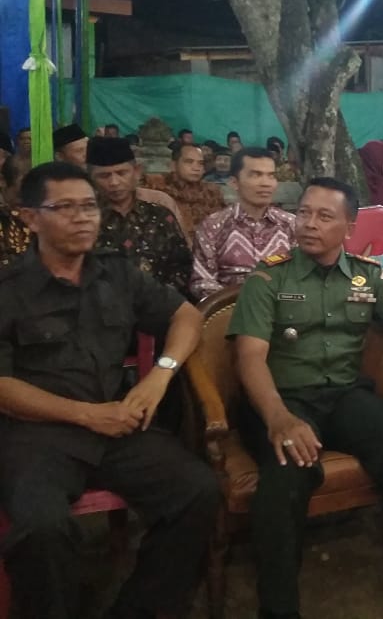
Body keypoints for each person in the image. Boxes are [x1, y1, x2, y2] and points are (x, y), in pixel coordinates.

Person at [0, 162, 219, 619]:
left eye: (89, 206)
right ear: (30, 218)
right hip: (38, 436)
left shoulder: (118, 274)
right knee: (41, 528)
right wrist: (85, 415)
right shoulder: (9, 291)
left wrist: (160, 375)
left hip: (117, 424)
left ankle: (138, 609)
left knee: (197, 491)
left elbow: (186, 316)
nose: (83, 218)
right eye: (65, 208)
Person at [227, 178, 383, 619]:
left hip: (344, 395)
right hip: (283, 398)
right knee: (286, 474)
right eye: (304, 213)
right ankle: (279, 607)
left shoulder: (370, 275)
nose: (309, 224)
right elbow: (250, 357)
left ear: (349, 227)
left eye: (324, 216)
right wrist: (278, 418)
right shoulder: (268, 277)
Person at [89, 137, 194, 297]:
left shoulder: (160, 216)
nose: (114, 182)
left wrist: (160, 301)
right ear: (90, 179)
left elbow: (182, 267)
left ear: (137, 172)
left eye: (121, 173)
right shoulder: (85, 220)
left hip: (159, 306)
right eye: (104, 176)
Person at [191, 148, 296, 300]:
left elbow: (302, 276)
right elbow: (203, 282)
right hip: (229, 309)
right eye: (256, 175)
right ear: (234, 182)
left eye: (271, 176)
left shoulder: (291, 225)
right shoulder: (213, 226)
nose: (266, 183)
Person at [145, 141, 226, 243]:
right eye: (189, 162)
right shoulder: (156, 186)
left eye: (200, 163)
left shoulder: (211, 192)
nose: (196, 168)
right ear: (173, 165)